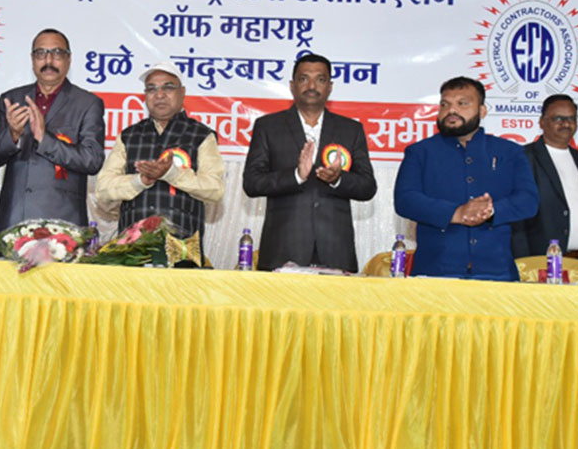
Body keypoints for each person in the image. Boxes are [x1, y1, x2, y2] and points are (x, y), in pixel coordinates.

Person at [394, 76, 538, 280]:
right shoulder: (420, 152)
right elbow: (406, 200)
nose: (451, 110)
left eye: (462, 103)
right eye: (445, 104)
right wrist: (456, 213)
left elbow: (528, 201)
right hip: (435, 273)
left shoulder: (510, 152)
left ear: (482, 111)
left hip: (497, 274)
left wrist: (490, 211)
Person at [243, 53, 376, 271]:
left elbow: (368, 187)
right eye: (304, 79)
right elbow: (252, 183)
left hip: (335, 251)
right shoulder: (268, 126)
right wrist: (295, 176)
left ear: (330, 87)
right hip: (283, 250)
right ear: (292, 86)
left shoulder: (350, 129)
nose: (312, 86)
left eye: (320, 79)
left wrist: (338, 179)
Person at [96, 62, 225, 257]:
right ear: (145, 96)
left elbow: (215, 189)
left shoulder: (201, 135)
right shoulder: (129, 136)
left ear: (182, 93)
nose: (159, 95)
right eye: (152, 89)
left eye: (168, 87)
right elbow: (103, 188)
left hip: (182, 250)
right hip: (132, 252)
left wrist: (171, 174)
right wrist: (141, 180)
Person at [0, 28, 105, 232]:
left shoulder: (87, 103)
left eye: (57, 53)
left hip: (63, 223)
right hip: (15, 220)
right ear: (32, 59)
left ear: (68, 59)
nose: (48, 60)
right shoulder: (12, 99)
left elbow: (92, 160)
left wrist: (44, 139)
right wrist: (12, 135)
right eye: (41, 53)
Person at [511, 95, 578, 269]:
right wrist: (524, 265)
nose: (566, 124)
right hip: (538, 264)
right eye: (558, 118)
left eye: (571, 118)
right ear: (542, 122)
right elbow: (516, 218)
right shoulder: (523, 158)